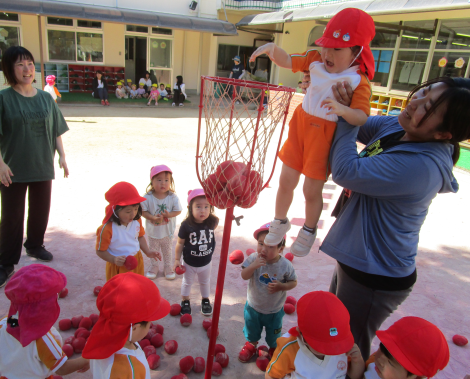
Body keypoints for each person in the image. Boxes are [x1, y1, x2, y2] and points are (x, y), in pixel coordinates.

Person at [322, 76, 470, 359]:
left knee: (347, 352)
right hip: (359, 258)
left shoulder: (420, 167)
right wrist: (340, 100)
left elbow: (345, 170)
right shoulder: (399, 126)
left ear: (443, 134)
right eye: (421, 92)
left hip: (375, 276)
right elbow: (362, 121)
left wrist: (344, 116)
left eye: (427, 107)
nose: (413, 103)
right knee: (332, 333)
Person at [249, 8, 375, 257]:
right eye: (327, 45)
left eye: (337, 49)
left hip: (324, 135)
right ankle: (279, 220)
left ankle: (308, 229)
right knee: (285, 180)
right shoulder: (315, 59)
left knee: (311, 190)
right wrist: (273, 49)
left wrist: (342, 108)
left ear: (357, 51)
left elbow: (361, 116)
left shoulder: (358, 81)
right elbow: (289, 60)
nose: (328, 53)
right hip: (300, 127)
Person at [0, 46, 70, 287]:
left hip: (41, 164)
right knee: (11, 217)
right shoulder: (3, 98)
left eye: (29, 63)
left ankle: (34, 245)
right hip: (12, 168)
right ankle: (6, 262)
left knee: (40, 209)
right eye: (20, 64)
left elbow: (56, 129)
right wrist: (0, 164)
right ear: (9, 69)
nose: (27, 69)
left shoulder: (45, 98)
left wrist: (62, 156)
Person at [0, 264, 89, 377]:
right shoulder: (43, 340)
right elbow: (62, 369)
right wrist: (86, 359)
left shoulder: (4, 324)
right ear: (47, 308)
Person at [82, 272, 170, 378]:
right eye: (149, 322)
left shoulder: (97, 340)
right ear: (135, 328)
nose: (150, 325)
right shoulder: (131, 370)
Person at [265, 291, 364, 379]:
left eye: (334, 345)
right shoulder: (289, 349)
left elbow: (354, 376)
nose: (329, 350)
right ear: (300, 333)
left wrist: (357, 360)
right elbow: (271, 375)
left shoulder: (343, 345)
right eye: (322, 345)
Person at [238, 222, 297, 362]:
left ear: (281, 248)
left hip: (274, 311)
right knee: (252, 330)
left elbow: (293, 282)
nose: (263, 249)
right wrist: (253, 266)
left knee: (274, 335)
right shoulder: (253, 258)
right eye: (261, 243)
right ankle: (251, 345)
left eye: (270, 246)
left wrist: (281, 286)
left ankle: (273, 348)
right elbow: (244, 275)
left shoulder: (285, 265)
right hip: (253, 307)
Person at [96, 181, 162, 281]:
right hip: (118, 264)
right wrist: (113, 259)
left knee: (136, 287)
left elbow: (139, 237)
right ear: (115, 209)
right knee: (119, 292)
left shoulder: (137, 221)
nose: (133, 214)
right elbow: (100, 251)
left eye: (136, 209)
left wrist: (148, 252)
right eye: (128, 211)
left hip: (136, 260)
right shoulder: (107, 228)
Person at [174, 189, 219, 316]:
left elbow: (216, 222)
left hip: (206, 262)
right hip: (189, 263)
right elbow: (180, 243)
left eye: (206, 206)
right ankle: (185, 301)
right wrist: (177, 260)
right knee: (187, 282)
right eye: (198, 207)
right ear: (190, 208)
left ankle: (205, 300)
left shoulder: (212, 221)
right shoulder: (186, 225)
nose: (203, 210)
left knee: (205, 282)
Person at [364, 316, 449, 379]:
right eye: (382, 349)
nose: (380, 360)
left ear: (418, 376)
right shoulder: (378, 367)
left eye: (391, 363)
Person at [141, 165, 182, 280]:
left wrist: (169, 215)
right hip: (153, 232)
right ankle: (154, 266)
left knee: (167, 250)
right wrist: (153, 218)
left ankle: (168, 267)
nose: (163, 183)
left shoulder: (172, 197)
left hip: (167, 232)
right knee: (153, 250)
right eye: (159, 180)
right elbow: (143, 212)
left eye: (166, 180)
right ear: (152, 181)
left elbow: (178, 210)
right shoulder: (147, 197)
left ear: (170, 182)